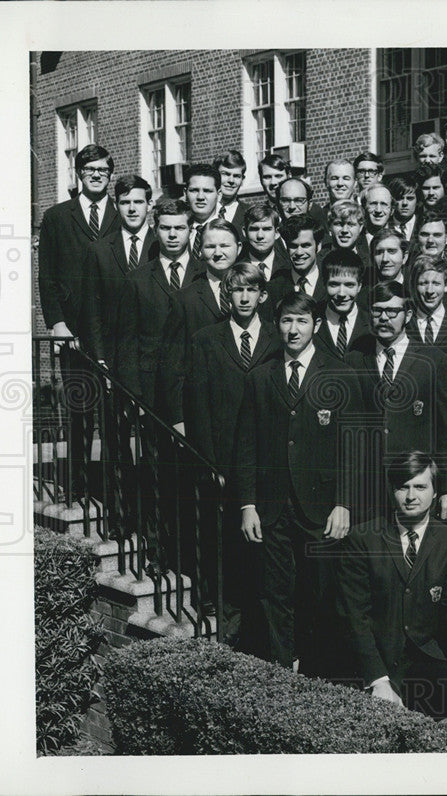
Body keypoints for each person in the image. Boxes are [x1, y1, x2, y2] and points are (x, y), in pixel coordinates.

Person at [236, 291, 364, 676]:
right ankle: (281, 669)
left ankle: (317, 671)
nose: (293, 329)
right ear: (278, 325)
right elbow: (245, 446)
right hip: (272, 506)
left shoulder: (339, 374)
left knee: (321, 591)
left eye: (302, 321)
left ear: (317, 325)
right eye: (287, 321)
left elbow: (353, 446)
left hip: (322, 506)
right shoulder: (260, 376)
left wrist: (344, 503)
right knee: (275, 592)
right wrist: (248, 505)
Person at [338, 452, 447, 717]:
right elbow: (354, 617)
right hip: (378, 661)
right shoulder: (363, 539)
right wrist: (378, 680)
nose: (410, 496)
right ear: (392, 491)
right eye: (402, 487)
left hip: (428, 660)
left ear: (435, 492)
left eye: (420, 486)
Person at [184, 261, 281, 648]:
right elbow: (198, 406)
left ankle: (262, 627)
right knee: (224, 546)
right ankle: (229, 625)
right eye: (237, 290)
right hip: (222, 464)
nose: (244, 297)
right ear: (228, 294)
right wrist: (210, 463)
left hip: (266, 463)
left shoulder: (277, 338)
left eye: (250, 290)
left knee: (264, 547)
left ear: (262, 295)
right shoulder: (207, 340)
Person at [345, 281, 447, 520]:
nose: (384, 318)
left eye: (392, 311)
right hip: (369, 487)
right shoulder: (355, 360)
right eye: (377, 311)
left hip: (416, 483)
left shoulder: (433, 360)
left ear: (408, 314)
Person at [158, 218, 242, 431]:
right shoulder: (184, 299)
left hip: (247, 408)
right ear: (200, 251)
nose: (218, 252)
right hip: (203, 411)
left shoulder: (254, 293)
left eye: (225, 245)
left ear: (239, 248)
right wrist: (177, 418)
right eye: (210, 246)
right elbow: (172, 362)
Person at [115, 198, 198, 408]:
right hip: (151, 388)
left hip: (198, 384)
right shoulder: (136, 279)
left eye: (179, 228)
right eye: (165, 228)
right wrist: (134, 394)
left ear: (190, 230)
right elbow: (127, 341)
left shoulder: (206, 275)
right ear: (155, 229)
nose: (172, 235)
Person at [39, 143, 119, 350]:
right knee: (77, 383)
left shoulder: (123, 215)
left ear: (110, 175)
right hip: (71, 327)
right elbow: (47, 276)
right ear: (78, 173)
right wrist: (58, 324)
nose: (96, 175)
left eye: (103, 170)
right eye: (89, 169)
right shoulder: (56, 217)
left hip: (115, 328)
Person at [82, 175, 156, 370]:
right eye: (125, 202)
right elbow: (92, 308)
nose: (132, 209)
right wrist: (99, 357)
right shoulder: (99, 250)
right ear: (116, 205)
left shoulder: (162, 245)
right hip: (113, 355)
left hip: (156, 356)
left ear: (150, 204)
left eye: (139, 202)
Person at [406, 255, 447, 366]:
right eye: (423, 283)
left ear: (446, 285)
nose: (430, 290)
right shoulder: (405, 324)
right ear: (414, 285)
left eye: (436, 283)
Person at [313, 248, 372, 360]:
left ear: (359, 286)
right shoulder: (312, 319)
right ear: (324, 284)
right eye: (334, 285)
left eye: (349, 285)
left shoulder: (371, 323)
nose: (341, 293)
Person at [241, 204, 290, 323]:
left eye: (267, 229)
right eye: (254, 229)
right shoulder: (237, 268)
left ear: (277, 233)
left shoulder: (289, 268)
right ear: (244, 231)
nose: (260, 236)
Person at [267, 213, 327, 310]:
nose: (299, 252)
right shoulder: (274, 288)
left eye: (306, 245)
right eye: (293, 246)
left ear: (318, 246)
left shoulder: (330, 282)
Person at [184, 164, 222, 262]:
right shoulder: (175, 231)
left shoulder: (230, 231)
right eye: (194, 190)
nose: (200, 197)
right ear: (185, 193)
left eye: (207, 191)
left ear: (219, 194)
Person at [324, 199, 370, 269]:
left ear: (360, 228)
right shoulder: (317, 261)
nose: (345, 230)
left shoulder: (370, 263)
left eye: (351, 224)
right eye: (339, 224)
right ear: (330, 226)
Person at [212, 149, 248, 238]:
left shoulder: (249, 213)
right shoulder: (202, 210)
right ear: (215, 175)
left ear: (242, 180)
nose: (231, 181)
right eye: (225, 174)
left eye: (236, 176)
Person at [360, 183, 394, 254]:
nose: (378, 210)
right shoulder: (354, 239)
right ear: (363, 208)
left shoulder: (399, 239)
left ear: (392, 210)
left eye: (384, 204)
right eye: (373, 203)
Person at [387, 176, 420, 242]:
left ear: (417, 201)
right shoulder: (385, 226)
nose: (405, 203)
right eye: (400, 198)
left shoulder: (424, 224)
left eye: (410, 198)